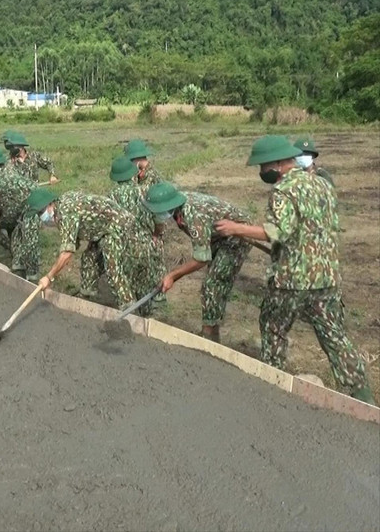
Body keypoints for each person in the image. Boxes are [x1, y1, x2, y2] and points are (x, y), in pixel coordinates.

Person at [215, 135, 374, 405]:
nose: (262, 171)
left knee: (273, 326)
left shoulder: (283, 190)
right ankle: (364, 398)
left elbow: (277, 231)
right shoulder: (323, 184)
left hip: (292, 280)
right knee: (334, 337)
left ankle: (273, 384)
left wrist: (235, 228)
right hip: (326, 278)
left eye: (263, 166)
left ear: (278, 163)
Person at [144, 182, 253, 342]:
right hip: (217, 234)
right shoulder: (178, 208)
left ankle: (208, 337)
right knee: (214, 282)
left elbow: (201, 259)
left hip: (237, 234)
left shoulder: (193, 215)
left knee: (212, 284)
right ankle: (212, 331)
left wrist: (172, 275)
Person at [29, 188, 155, 312]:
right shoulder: (61, 207)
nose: (41, 217)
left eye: (41, 212)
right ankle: (85, 297)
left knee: (113, 268)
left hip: (118, 227)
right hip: (99, 229)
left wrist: (49, 276)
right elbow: (73, 240)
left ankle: (129, 307)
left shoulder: (65, 213)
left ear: (50, 204)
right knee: (88, 258)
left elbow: (67, 253)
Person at [107, 155, 165, 301]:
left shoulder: (110, 197)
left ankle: (129, 307)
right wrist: (156, 234)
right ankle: (151, 307)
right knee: (146, 288)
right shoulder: (144, 192)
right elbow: (159, 219)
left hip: (123, 248)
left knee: (128, 285)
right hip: (146, 245)